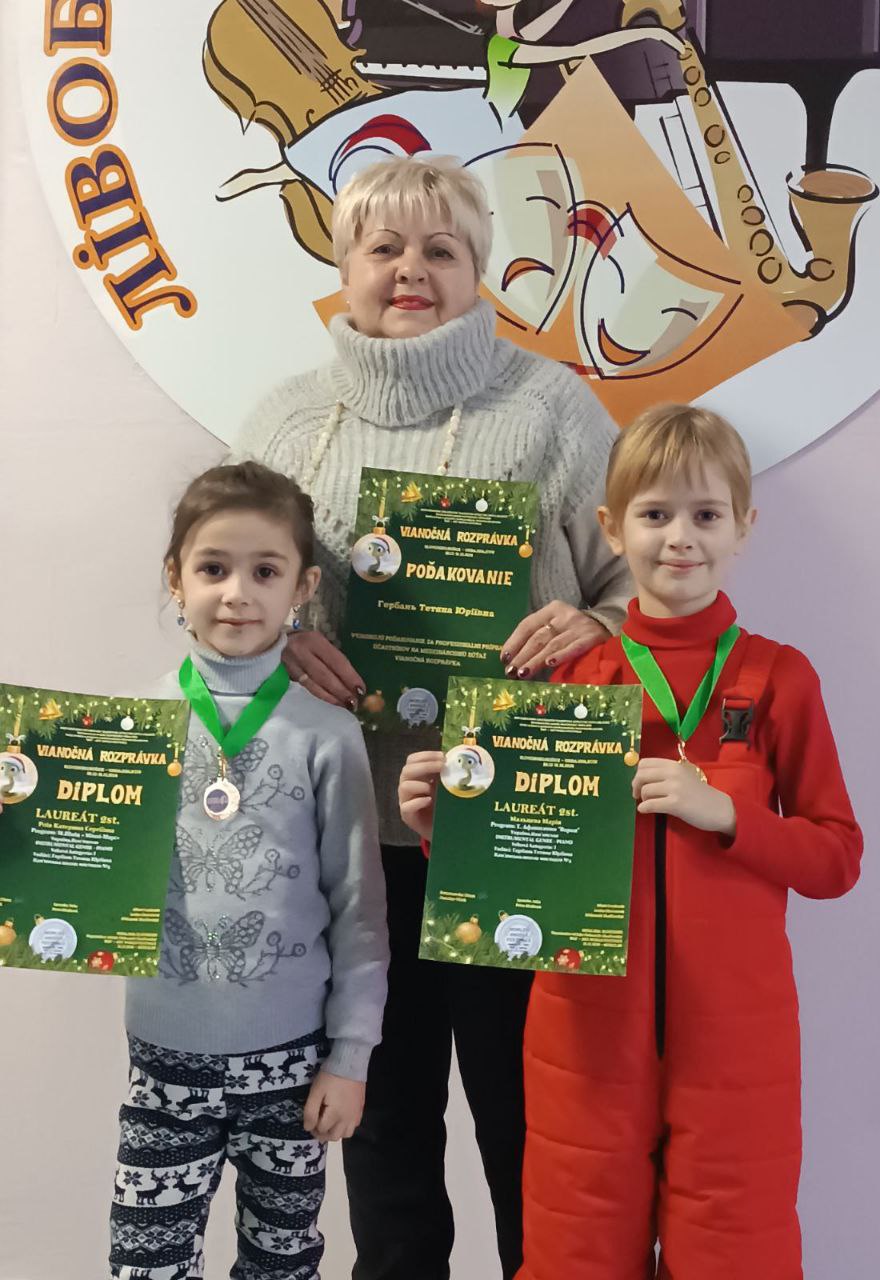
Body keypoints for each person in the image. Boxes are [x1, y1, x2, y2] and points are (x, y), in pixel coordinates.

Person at [237, 155, 633, 1280]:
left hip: (518, 829)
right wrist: (277, 638)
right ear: (344, 265)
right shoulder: (285, 420)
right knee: (384, 1130)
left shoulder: (552, 409)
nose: (411, 270)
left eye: (441, 249)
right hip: (350, 835)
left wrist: (593, 621)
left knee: (532, 1128)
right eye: (385, 247)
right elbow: (219, 588)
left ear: (477, 269)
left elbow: (638, 586)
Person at [400, 404, 863, 1280]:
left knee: (735, 1257)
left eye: (706, 514)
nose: (680, 538)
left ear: (744, 527)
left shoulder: (779, 677)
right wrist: (440, 836)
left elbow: (836, 857)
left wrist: (726, 814)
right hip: (582, 1030)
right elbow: (512, 862)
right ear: (613, 529)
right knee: (574, 1256)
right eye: (654, 514)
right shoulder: (572, 679)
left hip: (737, 1036)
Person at [107, 462, 388, 1280]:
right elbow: (84, 876)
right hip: (164, 1063)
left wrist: (350, 1057)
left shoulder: (329, 736)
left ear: (302, 588)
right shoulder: (130, 730)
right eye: (213, 568)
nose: (237, 594)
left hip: (293, 1067)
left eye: (265, 572)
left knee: (281, 1265)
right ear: (176, 578)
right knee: (146, 1264)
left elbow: (359, 911)